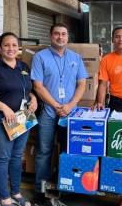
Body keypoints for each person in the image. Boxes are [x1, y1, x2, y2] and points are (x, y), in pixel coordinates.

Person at [0, 32, 37, 206]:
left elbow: (27, 88)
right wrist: (4, 107)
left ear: (18, 48)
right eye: (6, 45)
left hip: (21, 118)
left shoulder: (23, 66)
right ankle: (4, 198)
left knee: (17, 156)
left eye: (14, 45)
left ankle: (16, 193)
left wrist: (33, 98)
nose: (11, 48)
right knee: (3, 157)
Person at [30, 23, 88, 205]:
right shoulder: (40, 57)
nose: (60, 37)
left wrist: (70, 105)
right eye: (57, 34)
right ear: (50, 36)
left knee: (68, 151)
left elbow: (82, 84)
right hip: (48, 111)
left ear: (67, 37)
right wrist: (56, 105)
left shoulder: (76, 57)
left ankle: (66, 188)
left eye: (64, 34)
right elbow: (37, 86)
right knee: (44, 151)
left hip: (70, 114)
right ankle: (41, 190)